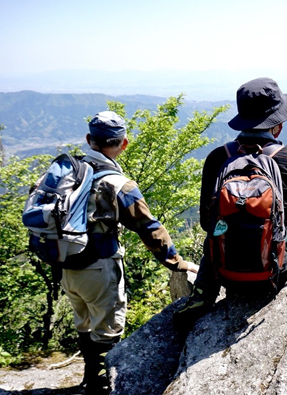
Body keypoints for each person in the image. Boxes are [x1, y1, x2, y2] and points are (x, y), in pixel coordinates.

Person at [61, 111, 198, 395]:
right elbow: (149, 228)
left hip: (66, 264)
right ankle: (99, 388)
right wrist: (177, 264)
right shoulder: (117, 184)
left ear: (89, 140)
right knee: (108, 330)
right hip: (99, 267)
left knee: (84, 322)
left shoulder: (69, 174)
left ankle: (89, 380)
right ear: (124, 144)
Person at [178, 77, 287, 314]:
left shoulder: (218, 158)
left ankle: (202, 294)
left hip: (225, 272)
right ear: (278, 125)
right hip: (274, 273)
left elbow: (206, 223)